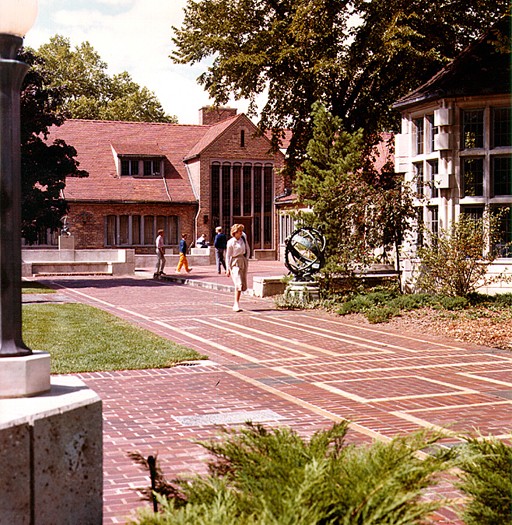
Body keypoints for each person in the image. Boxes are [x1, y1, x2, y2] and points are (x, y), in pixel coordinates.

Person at [226, 223, 249, 312]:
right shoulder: (231, 242)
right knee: (238, 283)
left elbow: (247, 248)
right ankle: (236, 303)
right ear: (234, 233)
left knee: (243, 284)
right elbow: (227, 256)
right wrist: (228, 268)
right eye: (239, 232)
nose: (240, 233)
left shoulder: (243, 239)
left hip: (242, 261)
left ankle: (237, 302)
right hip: (235, 262)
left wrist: (246, 259)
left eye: (241, 232)